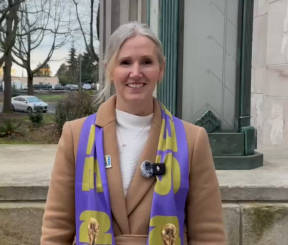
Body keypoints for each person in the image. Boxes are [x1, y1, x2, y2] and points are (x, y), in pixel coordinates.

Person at [40, 22, 226, 245]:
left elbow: (208, 233)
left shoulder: (192, 140)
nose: (135, 73)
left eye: (146, 62)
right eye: (125, 62)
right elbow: (57, 228)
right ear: (110, 70)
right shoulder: (75, 136)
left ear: (161, 69)